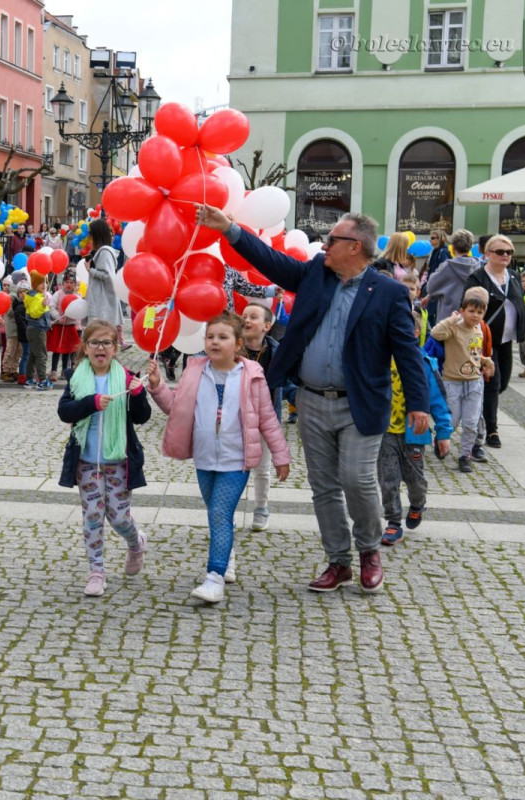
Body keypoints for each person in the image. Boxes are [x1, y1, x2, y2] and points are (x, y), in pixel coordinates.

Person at [195, 204, 429, 594]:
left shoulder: (387, 293)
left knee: (357, 479)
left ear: (354, 247)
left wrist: (419, 403)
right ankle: (338, 561)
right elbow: (271, 260)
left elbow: (406, 350)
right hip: (312, 399)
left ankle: (369, 550)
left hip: (361, 403)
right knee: (323, 486)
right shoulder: (316, 275)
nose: (324, 246)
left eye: (333, 240)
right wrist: (230, 229)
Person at [146, 313, 291, 603]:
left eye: (222, 337)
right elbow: (176, 409)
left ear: (238, 344)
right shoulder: (195, 370)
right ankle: (227, 557)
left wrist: (280, 455)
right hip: (204, 458)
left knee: (219, 514)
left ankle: (214, 578)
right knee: (217, 514)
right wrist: (158, 386)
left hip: (236, 460)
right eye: (210, 336)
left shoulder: (252, 375)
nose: (214, 342)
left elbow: (267, 418)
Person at [57, 318, 152, 598]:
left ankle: (136, 542)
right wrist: (91, 403)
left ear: (115, 348)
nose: (101, 348)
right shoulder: (76, 378)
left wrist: (137, 395)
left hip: (119, 462)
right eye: (95, 342)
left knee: (119, 518)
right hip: (86, 462)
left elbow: (142, 417)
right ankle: (96, 571)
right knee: (93, 518)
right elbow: (65, 412)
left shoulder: (126, 378)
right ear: (85, 348)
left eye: (107, 342)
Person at [379, 311, 453, 546]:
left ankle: (417, 504)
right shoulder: (379, 361)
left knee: (415, 480)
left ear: (416, 333)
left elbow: (439, 401)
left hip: (414, 433)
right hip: (385, 433)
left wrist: (444, 433)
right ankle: (393, 522)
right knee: (387, 480)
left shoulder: (424, 364)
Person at [465, 234, 525, 450]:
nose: (506, 255)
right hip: (485, 341)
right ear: (487, 253)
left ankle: (479, 405)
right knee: (493, 382)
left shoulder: (513, 276)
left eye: (509, 252)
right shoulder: (478, 278)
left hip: (507, 340)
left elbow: (522, 308)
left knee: (502, 383)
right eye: (500, 252)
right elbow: (467, 305)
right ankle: (492, 430)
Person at [430, 287, 494, 473]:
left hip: (474, 382)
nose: (475, 315)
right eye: (471, 311)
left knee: (471, 422)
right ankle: (441, 440)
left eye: (479, 312)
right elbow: (435, 333)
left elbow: (473, 354)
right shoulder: (453, 327)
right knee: (453, 420)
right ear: (463, 310)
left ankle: (465, 455)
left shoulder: (479, 330)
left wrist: (485, 360)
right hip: (452, 381)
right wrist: (450, 319)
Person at [239, 304, 281, 533]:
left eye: (253, 317)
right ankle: (227, 508)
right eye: (243, 316)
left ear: (267, 325)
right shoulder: (232, 348)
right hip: (235, 417)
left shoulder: (276, 351)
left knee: (262, 468)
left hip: (264, 418)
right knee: (234, 466)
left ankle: (261, 507)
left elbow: (286, 382)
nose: (246, 320)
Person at [423, 228, 479, 323]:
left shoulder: (447, 266)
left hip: (448, 318)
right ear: (470, 247)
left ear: (453, 247)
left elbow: (430, 287)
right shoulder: (478, 266)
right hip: (472, 318)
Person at [85, 219, 122, 340]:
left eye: (91, 233)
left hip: (102, 304)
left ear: (97, 234)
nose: (89, 237)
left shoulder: (105, 252)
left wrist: (91, 270)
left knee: (99, 339)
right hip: (99, 302)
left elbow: (108, 277)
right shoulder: (101, 251)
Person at [48, 271, 81, 382]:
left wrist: (73, 316)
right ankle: (53, 370)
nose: (69, 284)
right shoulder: (58, 294)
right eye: (67, 282)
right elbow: (51, 306)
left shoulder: (77, 296)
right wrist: (58, 316)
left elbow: (79, 310)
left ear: (75, 284)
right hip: (59, 325)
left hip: (70, 326)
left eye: (71, 282)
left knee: (67, 350)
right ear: (63, 283)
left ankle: (64, 370)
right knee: (57, 350)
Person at [23, 277, 53, 389]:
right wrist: (43, 305)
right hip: (37, 328)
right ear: (35, 284)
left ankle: (30, 379)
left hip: (34, 328)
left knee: (33, 354)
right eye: (40, 282)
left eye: (45, 282)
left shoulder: (36, 295)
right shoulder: (36, 297)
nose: (44, 285)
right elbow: (35, 313)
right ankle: (43, 380)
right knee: (41, 354)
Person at [0, 275, 26, 384]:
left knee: (18, 350)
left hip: (20, 328)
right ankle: (6, 370)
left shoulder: (24, 295)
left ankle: (14, 369)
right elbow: (9, 313)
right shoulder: (11, 296)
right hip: (12, 327)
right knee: (10, 349)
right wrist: (17, 305)